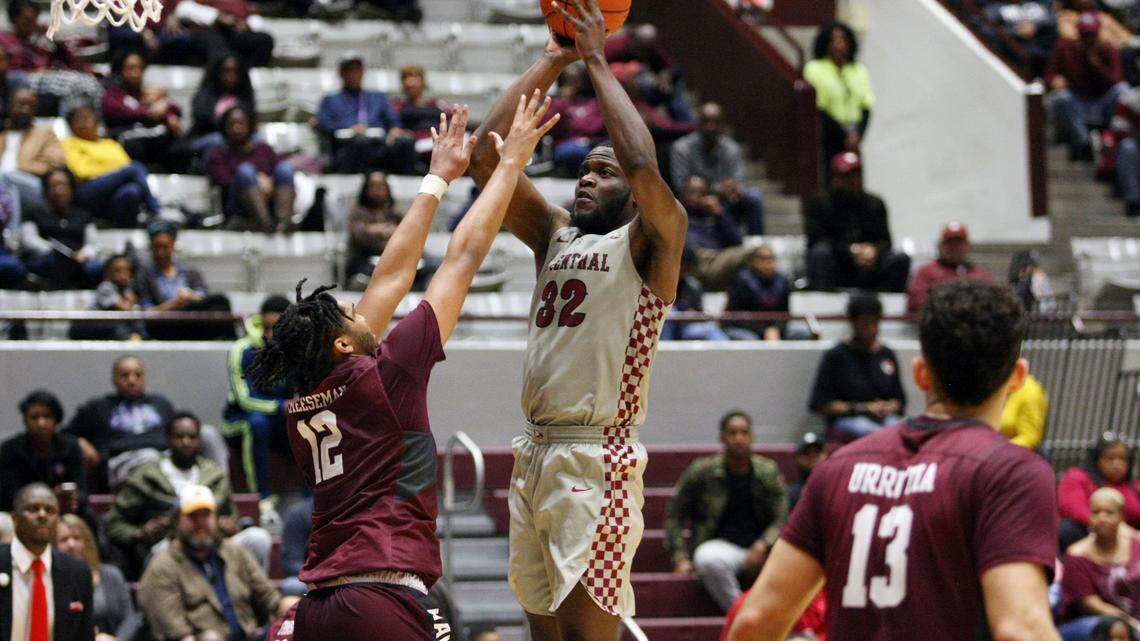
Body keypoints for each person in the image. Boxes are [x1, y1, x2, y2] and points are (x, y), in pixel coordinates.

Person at [243, 95, 557, 641]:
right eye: (347, 312)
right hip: (380, 596)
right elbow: (461, 258)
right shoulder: (385, 376)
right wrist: (508, 169)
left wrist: (436, 180)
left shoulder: (303, 405)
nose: (358, 307)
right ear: (342, 343)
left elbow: (390, 276)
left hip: (318, 607)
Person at [467, 4, 688, 636]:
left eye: (602, 172)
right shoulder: (553, 236)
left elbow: (644, 166)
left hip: (598, 458)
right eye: (583, 170)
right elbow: (487, 157)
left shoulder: (653, 241)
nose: (585, 180)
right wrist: (555, 54)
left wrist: (595, 58)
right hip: (535, 449)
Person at [726, 280, 1060, 641]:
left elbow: (755, 620)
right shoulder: (1010, 473)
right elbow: (1022, 629)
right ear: (1018, 378)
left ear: (920, 374)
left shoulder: (837, 469)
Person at [106, 412, 270, 581]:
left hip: (213, 543)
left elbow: (232, 517)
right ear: (168, 440)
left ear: (200, 441)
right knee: (160, 552)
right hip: (170, 548)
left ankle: (253, 596)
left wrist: (231, 526)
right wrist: (139, 533)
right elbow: (113, 522)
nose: (186, 442)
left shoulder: (215, 475)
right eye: (179, 437)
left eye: (192, 437)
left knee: (258, 538)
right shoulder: (146, 476)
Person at [664, 411, 787, 612]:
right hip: (722, 547)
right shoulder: (702, 471)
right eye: (733, 433)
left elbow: (782, 517)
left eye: (744, 432)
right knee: (707, 558)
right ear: (722, 437)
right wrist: (680, 557)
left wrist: (764, 544)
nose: (739, 439)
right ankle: (742, 616)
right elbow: (675, 514)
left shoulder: (768, 471)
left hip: (762, 548)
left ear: (752, 436)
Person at [138, 484, 294, 641]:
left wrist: (294, 610)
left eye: (205, 515)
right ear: (177, 521)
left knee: (296, 609)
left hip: (250, 637)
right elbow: (177, 633)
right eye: (192, 516)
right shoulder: (162, 567)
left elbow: (271, 600)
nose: (200, 522)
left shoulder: (235, 552)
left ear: (216, 517)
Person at [804, 152, 910, 292]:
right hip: (837, 263)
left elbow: (885, 241)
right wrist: (851, 251)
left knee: (900, 259)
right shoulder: (820, 203)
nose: (852, 180)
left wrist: (873, 251)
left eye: (856, 174)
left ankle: (887, 307)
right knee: (821, 253)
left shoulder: (875, 203)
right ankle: (823, 306)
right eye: (846, 176)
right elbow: (816, 239)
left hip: (869, 265)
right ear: (835, 177)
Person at [2, 483, 95, 641]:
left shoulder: (78, 572)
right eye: (33, 509)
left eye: (50, 510)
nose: (42, 515)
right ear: (14, 518)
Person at [65, 355, 174, 489]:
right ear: (114, 379)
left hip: (162, 458)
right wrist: (81, 443)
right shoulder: (99, 407)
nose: (132, 380)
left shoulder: (160, 403)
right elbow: (65, 435)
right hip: (121, 462)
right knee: (149, 460)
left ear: (144, 378)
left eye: (137, 375)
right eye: (125, 375)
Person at [808, 292, 906, 441]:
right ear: (853, 323)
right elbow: (819, 403)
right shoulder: (837, 355)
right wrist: (862, 408)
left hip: (884, 419)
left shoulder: (886, 354)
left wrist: (888, 407)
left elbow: (900, 400)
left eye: (875, 322)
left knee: (904, 428)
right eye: (865, 323)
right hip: (848, 420)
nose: (871, 329)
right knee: (871, 431)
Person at [223, 295, 294, 497]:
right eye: (267, 328)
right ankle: (260, 499)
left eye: (277, 328)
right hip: (239, 419)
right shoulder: (242, 349)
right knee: (257, 423)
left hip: (280, 419)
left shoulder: (295, 350)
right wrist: (281, 407)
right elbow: (244, 400)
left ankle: (311, 500)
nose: (271, 334)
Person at [670, 102, 765, 235]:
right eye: (706, 122)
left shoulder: (732, 149)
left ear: (723, 125)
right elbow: (680, 185)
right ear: (698, 123)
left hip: (725, 201)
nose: (710, 127)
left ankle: (757, 246)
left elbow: (738, 182)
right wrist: (717, 190)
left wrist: (732, 190)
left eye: (715, 122)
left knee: (754, 197)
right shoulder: (682, 148)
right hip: (694, 201)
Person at [1059, 488, 1140, 641]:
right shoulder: (1077, 555)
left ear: (1121, 517)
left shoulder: (1136, 546)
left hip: (1134, 617)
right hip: (1092, 622)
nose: (1102, 518)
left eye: (1109, 513)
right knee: (1116, 629)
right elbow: (1090, 604)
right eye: (1096, 512)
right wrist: (1132, 624)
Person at [63, 104, 162, 228]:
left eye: (86, 118)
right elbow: (81, 171)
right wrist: (116, 173)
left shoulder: (110, 144)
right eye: (77, 119)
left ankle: (123, 234)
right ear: (71, 125)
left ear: (96, 122)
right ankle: (156, 211)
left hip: (114, 193)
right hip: (87, 190)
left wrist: (114, 174)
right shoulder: (69, 144)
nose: (83, 122)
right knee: (135, 168)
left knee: (131, 192)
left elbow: (124, 166)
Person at [316, 53, 416, 175]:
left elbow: (393, 120)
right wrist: (350, 129)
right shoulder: (330, 100)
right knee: (360, 142)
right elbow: (324, 124)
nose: (353, 74)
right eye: (349, 70)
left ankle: (407, 185)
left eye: (357, 70)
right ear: (341, 73)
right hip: (349, 147)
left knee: (405, 143)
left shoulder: (377, 97)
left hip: (379, 144)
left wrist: (395, 129)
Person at [135, 219, 236, 341]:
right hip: (166, 324)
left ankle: (232, 343)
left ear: (173, 246)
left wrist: (190, 296)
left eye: (165, 247)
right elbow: (147, 313)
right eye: (156, 247)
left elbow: (204, 297)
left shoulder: (190, 272)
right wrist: (173, 304)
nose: (160, 252)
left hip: (191, 319)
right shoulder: (145, 276)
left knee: (220, 302)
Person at [1047, 11, 1127, 161]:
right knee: (1060, 99)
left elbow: (1117, 79)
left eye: (1091, 35)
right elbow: (1049, 75)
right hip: (1077, 99)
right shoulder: (1065, 48)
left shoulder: (1108, 49)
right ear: (1078, 32)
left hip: (1102, 101)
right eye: (1084, 35)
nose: (1088, 39)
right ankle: (1084, 143)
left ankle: (1110, 139)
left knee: (1122, 91)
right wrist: (1055, 80)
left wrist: (1098, 66)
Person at [0, 0, 102, 116]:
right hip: (22, 79)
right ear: (14, 19)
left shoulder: (38, 42)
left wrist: (53, 36)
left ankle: (93, 124)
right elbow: (4, 69)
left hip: (47, 77)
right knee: (75, 84)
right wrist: (33, 72)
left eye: (34, 20)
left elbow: (70, 61)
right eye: (27, 21)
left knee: (89, 83)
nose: (32, 25)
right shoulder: (4, 40)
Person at [206, 106, 296, 233]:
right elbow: (223, 181)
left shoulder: (264, 149)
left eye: (241, 123)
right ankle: (266, 225)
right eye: (232, 123)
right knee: (245, 171)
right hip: (238, 205)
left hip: (270, 199)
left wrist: (268, 181)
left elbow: (282, 169)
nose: (237, 128)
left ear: (249, 125)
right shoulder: (218, 154)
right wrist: (256, 181)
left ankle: (284, 223)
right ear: (225, 127)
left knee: (285, 169)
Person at [100, 51, 189, 173]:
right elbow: (122, 113)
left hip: (153, 138)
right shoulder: (113, 94)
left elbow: (176, 109)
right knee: (135, 146)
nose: (136, 73)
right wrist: (152, 112)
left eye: (139, 68)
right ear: (121, 70)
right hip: (128, 140)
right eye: (131, 68)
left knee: (181, 145)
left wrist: (166, 109)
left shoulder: (148, 93)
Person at [56, 514, 140, 641]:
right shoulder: (52, 580)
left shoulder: (111, 574)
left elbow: (130, 617)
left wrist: (117, 639)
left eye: (77, 538)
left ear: (87, 542)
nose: (71, 544)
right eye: (64, 539)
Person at [0, 391, 86, 513]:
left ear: (56, 419)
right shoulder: (10, 449)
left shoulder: (70, 447)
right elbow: (8, 494)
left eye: (47, 416)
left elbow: (82, 491)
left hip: (63, 510)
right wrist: (45, 499)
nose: (41, 423)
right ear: (25, 420)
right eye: (35, 417)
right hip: (22, 511)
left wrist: (71, 498)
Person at [804, 22, 874, 169]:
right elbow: (819, 107)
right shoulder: (815, 68)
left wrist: (857, 135)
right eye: (834, 40)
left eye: (843, 39)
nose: (839, 45)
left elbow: (866, 105)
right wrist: (843, 135)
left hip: (854, 134)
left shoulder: (858, 70)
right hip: (829, 134)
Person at [19, 168, 103, 290]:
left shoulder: (83, 215)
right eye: (53, 186)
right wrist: (59, 253)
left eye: (63, 185)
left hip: (78, 260)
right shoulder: (34, 213)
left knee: (96, 268)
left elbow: (93, 244)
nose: (59, 191)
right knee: (51, 262)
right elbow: (29, 240)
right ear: (46, 190)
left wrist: (84, 254)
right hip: (46, 258)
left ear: (72, 189)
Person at [1058, 434, 1140, 552]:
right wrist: (1116, 528)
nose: (1117, 465)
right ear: (1097, 460)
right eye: (1110, 459)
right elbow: (1074, 509)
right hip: (1086, 535)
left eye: (1123, 459)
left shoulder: (1134, 487)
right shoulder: (1078, 477)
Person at [1, 89, 67, 219]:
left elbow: (56, 161)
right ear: (10, 106)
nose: (25, 110)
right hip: (3, 185)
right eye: (21, 105)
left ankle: (11, 235)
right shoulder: (3, 135)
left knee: (6, 179)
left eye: (30, 106)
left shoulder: (45, 134)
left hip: (34, 185)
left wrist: (20, 168)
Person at [906, 222, 993, 313]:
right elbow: (915, 302)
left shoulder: (980, 275)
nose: (954, 248)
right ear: (941, 246)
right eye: (950, 243)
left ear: (967, 246)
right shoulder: (926, 273)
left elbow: (992, 302)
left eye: (959, 243)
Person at [189, 55, 257, 162]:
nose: (230, 76)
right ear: (218, 72)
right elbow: (202, 118)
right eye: (226, 71)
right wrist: (229, 127)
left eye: (234, 71)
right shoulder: (205, 94)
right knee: (217, 141)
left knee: (258, 140)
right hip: (205, 137)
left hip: (238, 139)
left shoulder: (245, 96)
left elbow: (250, 121)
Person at [345, 170, 404, 288]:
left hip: (393, 259)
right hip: (365, 259)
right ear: (366, 189)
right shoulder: (358, 212)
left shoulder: (394, 213)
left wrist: (375, 230)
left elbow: (407, 234)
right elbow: (359, 235)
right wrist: (386, 231)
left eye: (381, 185)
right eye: (373, 186)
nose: (378, 190)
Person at [69, 254, 146, 341]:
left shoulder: (126, 290)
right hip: (87, 326)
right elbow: (124, 308)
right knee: (117, 328)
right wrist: (132, 301)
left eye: (126, 270)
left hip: (107, 327)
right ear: (107, 273)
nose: (123, 274)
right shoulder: (105, 287)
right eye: (117, 271)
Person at [660, 246, 730, 341]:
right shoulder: (658, 283)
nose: (685, 271)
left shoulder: (692, 285)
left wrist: (692, 314)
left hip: (685, 328)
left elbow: (700, 312)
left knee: (709, 329)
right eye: (683, 266)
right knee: (670, 314)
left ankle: (725, 354)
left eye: (687, 268)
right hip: (661, 327)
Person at [724, 245, 792, 341]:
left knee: (802, 333)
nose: (767, 263)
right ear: (751, 262)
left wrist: (776, 329)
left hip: (774, 329)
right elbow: (736, 317)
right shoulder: (741, 280)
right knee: (751, 340)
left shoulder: (782, 281)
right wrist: (764, 330)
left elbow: (785, 314)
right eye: (762, 259)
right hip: (745, 328)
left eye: (770, 258)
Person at [392, 65, 450, 138]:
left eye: (415, 77)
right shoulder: (398, 107)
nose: (411, 82)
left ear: (423, 81)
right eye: (406, 77)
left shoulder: (438, 105)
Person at [997, 374, 1048, 451]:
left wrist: (995, 450)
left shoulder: (1029, 391)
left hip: (1011, 456)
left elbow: (1030, 438)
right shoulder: (991, 385)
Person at [279, 495, 313, 597]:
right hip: (311, 576)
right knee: (292, 586)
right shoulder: (299, 513)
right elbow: (291, 562)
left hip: (348, 575)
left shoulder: (353, 509)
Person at [786, 432, 826, 511]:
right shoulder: (792, 494)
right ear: (797, 458)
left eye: (817, 453)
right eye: (807, 453)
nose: (812, 457)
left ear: (825, 455)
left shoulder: (834, 488)